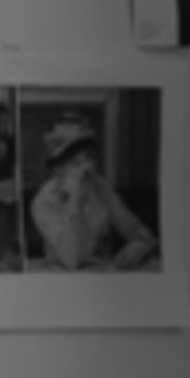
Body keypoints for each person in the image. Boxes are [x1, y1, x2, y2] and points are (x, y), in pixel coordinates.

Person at [30, 116, 157, 271]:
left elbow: (141, 233)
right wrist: (75, 199)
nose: (87, 168)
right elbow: (72, 260)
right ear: (59, 170)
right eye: (76, 163)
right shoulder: (44, 201)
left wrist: (137, 247)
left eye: (89, 158)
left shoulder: (100, 187)